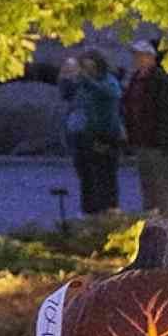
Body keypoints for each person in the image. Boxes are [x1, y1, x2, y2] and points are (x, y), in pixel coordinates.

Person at [120, 40, 168, 216]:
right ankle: (151, 217)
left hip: (157, 139)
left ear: (151, 58)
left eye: (141, 55)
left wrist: (166, 139)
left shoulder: (160, 79)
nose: (137, 59)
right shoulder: (136, 78)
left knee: (162, 181)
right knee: (147, 182)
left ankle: (167, 217)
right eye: (136, 55)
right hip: (141, 138)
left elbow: (167, 112)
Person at [59, 50, 123, 215]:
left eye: (90, 67)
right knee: (87, 176)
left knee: (106, 176)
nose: (87, 71)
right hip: (84, 137)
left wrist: (86, 80)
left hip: (105, 135)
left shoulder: (108, 82)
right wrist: (66, 77)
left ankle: (109, 210)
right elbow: (67, 95)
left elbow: (111, 93)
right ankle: (90, 212)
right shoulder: (82, 85)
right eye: (84, 67)